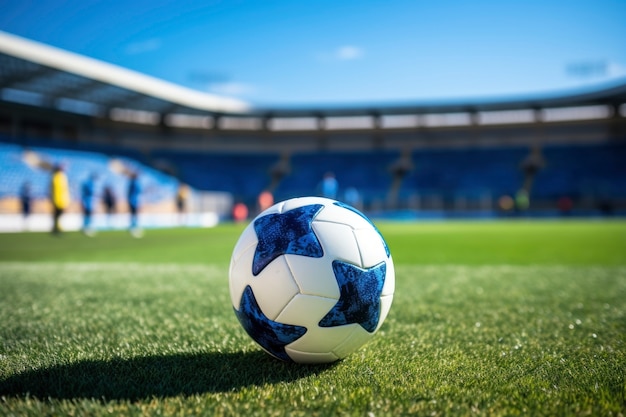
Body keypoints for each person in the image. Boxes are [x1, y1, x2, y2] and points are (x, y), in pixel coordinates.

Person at [50, 164, 70, 235]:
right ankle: (56, 228)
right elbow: (55, 190)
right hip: (57, 199)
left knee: (59, 214)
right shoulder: (56, 177)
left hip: (62, 199)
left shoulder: (63, 177)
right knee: (57, 214)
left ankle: (57, 228)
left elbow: (65, 190)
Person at [127, 171, 142, 237]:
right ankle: (133, 226)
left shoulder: (134, 182)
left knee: (134, 214)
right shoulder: (134, 183)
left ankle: (134, 225)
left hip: (134, 200)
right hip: (134, 201)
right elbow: (130, 193)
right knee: (134, 213)